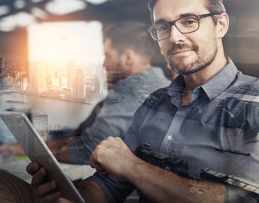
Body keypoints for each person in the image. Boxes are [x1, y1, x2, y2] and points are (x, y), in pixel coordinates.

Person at [0, 0, 259, 203]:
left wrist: (132, 166)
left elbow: (257, 200)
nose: (175, 37)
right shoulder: (155, 103)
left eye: (189, 21)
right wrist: (70, 196)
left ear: (220, 24)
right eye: (163, 27)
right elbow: (109, 186)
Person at [45, 21, 171, 164]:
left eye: (108, 56)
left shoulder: (130, 89)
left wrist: (43, 153)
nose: (104, 63)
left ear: (128, 58)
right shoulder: (165, 85)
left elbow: (90, 149)